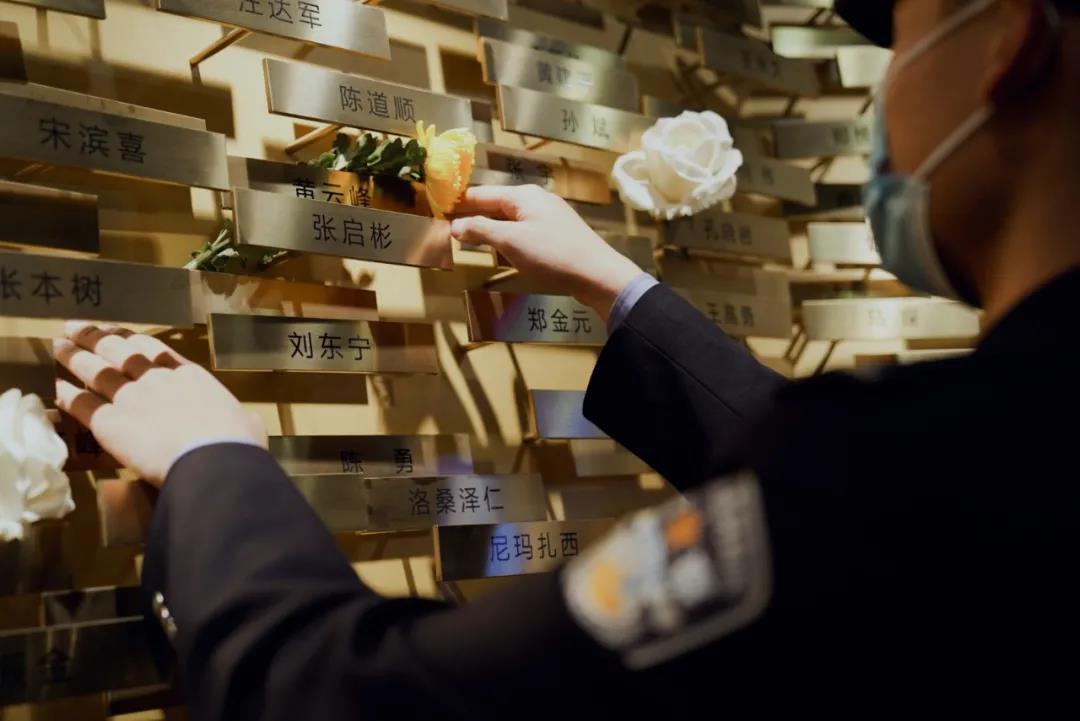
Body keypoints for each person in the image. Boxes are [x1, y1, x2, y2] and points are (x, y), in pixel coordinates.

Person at [52, 0, 1077, 718]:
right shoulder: (989, 454)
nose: (890, 91)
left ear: (1009, 43)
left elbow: (352, 699)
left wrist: (215, 465)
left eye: (903, 33)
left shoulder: (914, 476)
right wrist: (618, 290)